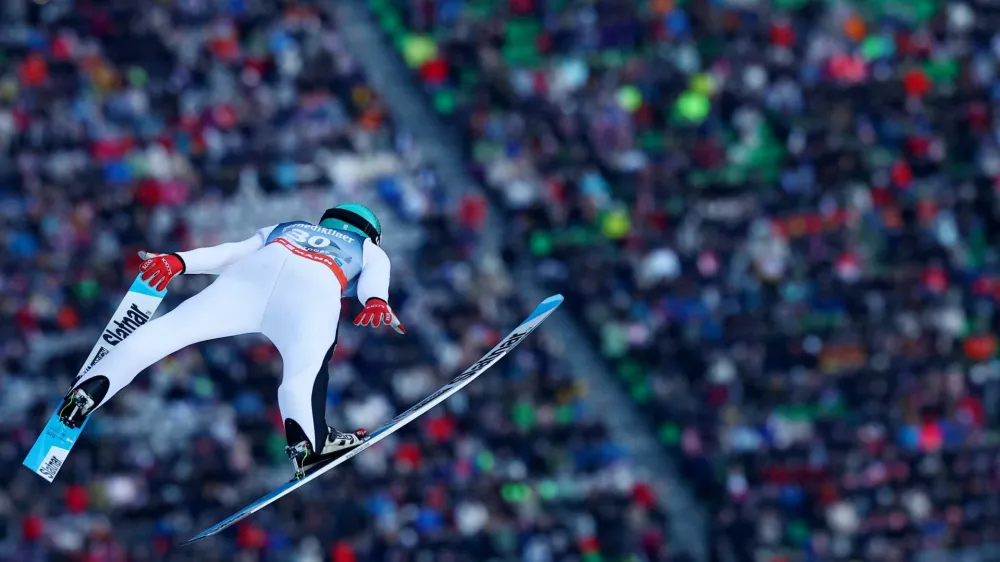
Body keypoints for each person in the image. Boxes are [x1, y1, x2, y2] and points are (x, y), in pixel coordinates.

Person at [60, 203, 405, 474]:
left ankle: (89, 390)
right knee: (303, 376)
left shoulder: (289, 227)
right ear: (372, 234)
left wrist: (178, 261)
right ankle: (307, 447)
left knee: (168, 331)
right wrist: (376, 300)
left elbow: (230, 252)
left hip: (251, 277)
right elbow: (376, 273)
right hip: (313, 291)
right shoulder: (367, 246)